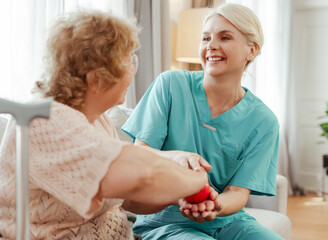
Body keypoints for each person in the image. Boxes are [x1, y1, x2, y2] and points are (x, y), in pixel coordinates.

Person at [0, 11, 210, 240]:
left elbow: (128, 199)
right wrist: (198, 182)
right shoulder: (45, 120)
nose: (132, 71)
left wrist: (176, 197)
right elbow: (143, 176)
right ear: (96, 77)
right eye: (128, 61)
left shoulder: (96, 118)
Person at [122, 3, 283, 240]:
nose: (211, 46)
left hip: (229, 223)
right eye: (206, 38)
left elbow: (237, 192)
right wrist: (176, 157)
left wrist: (215, 206)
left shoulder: (264, 121)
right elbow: (140, 154)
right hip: (165, 222)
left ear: (252, 50)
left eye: (225, 37)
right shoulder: (170, 86)